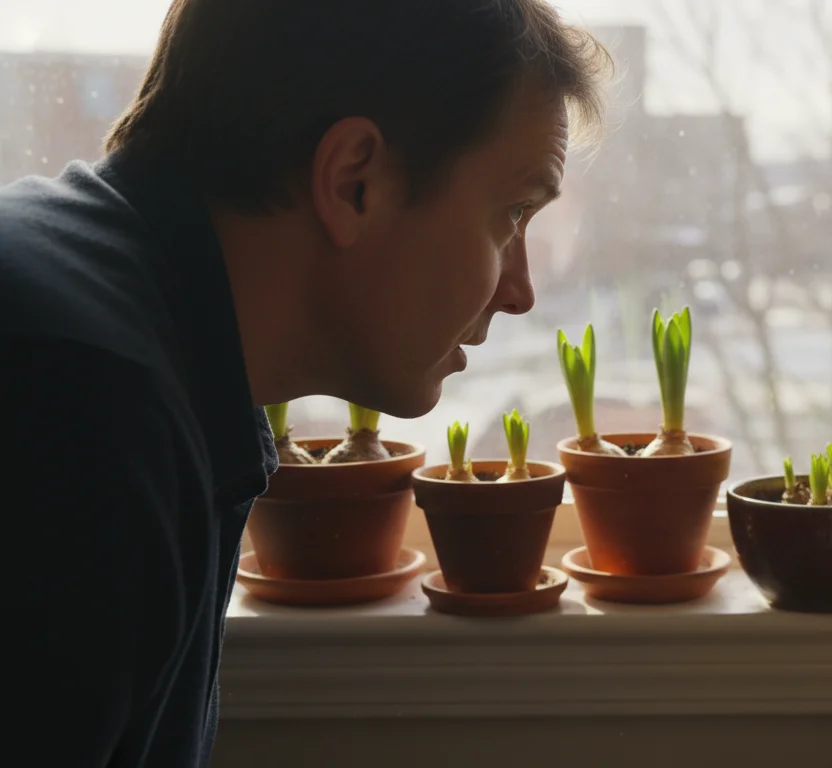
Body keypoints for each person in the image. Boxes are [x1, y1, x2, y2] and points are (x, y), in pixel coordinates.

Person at [0, 1, 609, 765]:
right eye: (511, 213)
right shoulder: (78, 408)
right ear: (355, 181)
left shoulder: (145, 360)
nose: (519, 291)